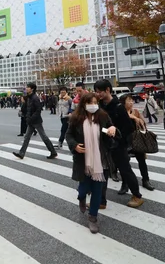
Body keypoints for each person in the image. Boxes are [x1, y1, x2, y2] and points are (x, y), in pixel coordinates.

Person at [66, 93, 119, 233]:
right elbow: (69, 135)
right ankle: (81, 197)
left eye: (95, 102)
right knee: (83, 187)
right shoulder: (76, 118)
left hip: (101, 160)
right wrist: (75, 145)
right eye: (90, 102)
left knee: (97, 190)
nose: (93, 105)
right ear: (83, 104)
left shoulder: (102, 117)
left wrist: (112, 129)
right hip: (83, 160)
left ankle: (93, 217)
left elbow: (109, 131)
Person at [94, 79, 144, 209]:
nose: (98, 94)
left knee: (125, 170)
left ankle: (137, 195)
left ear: (108, 90)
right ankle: (101, 200)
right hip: (104, 144)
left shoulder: (118, 107)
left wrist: (115, 132)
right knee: (103, 171)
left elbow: (128, 128)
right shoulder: (99, 105)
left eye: (100, 92)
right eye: (96, 92)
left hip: (118, 145)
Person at [13, 82, 58, 160]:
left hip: (36, 121)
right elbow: (28, 108)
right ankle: (21, 153)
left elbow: (38, 110)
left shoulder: (35, 98)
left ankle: (53, 152)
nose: (26, 88)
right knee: (26, 137)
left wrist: (31, 118)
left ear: (32, 89)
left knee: (44, 137)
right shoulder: (29, 97)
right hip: (31, 121)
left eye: (28, 87)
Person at [121, 94, 154, 191]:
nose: (131, 103)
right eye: (128, 101)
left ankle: (146, 180)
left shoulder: (135, 112)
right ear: (123, 103)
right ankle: (125, 183)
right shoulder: (120, 112)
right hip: (124, 141)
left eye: (132, 101)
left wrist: (137, 119)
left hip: (136, 140)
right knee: (124, 164)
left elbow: (143, 123)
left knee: (142, 161)